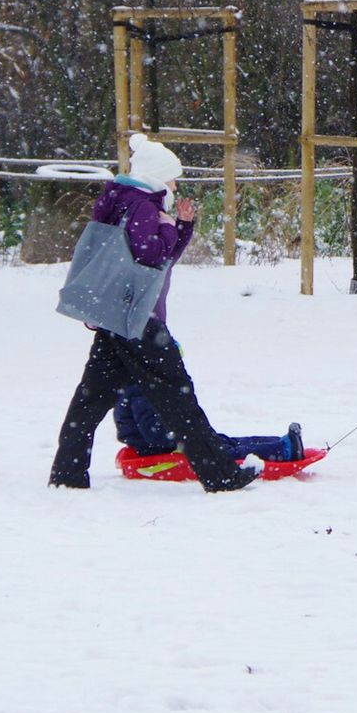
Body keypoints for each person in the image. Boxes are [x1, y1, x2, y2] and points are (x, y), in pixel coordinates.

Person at [48, 134, 259, 491]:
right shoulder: (143, 207)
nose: (175, 184)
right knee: (177, 395)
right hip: (138, 318)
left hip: (115, 313)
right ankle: (220, 473)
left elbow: (157, 259)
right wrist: (165, 224)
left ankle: (67, 473)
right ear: (159, 176)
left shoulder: (122, 200)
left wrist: (181, 226)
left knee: (91, 397)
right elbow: (150, 254)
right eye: (172, 177)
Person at [113, 384, 305, 464]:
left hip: (166, 443)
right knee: (218, 453)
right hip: (158, 450)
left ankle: (281, 442)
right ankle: (282, 451)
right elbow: (153, 433)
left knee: (224, 440)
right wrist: (179, 433)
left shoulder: (142, 388)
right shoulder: (140, 392)